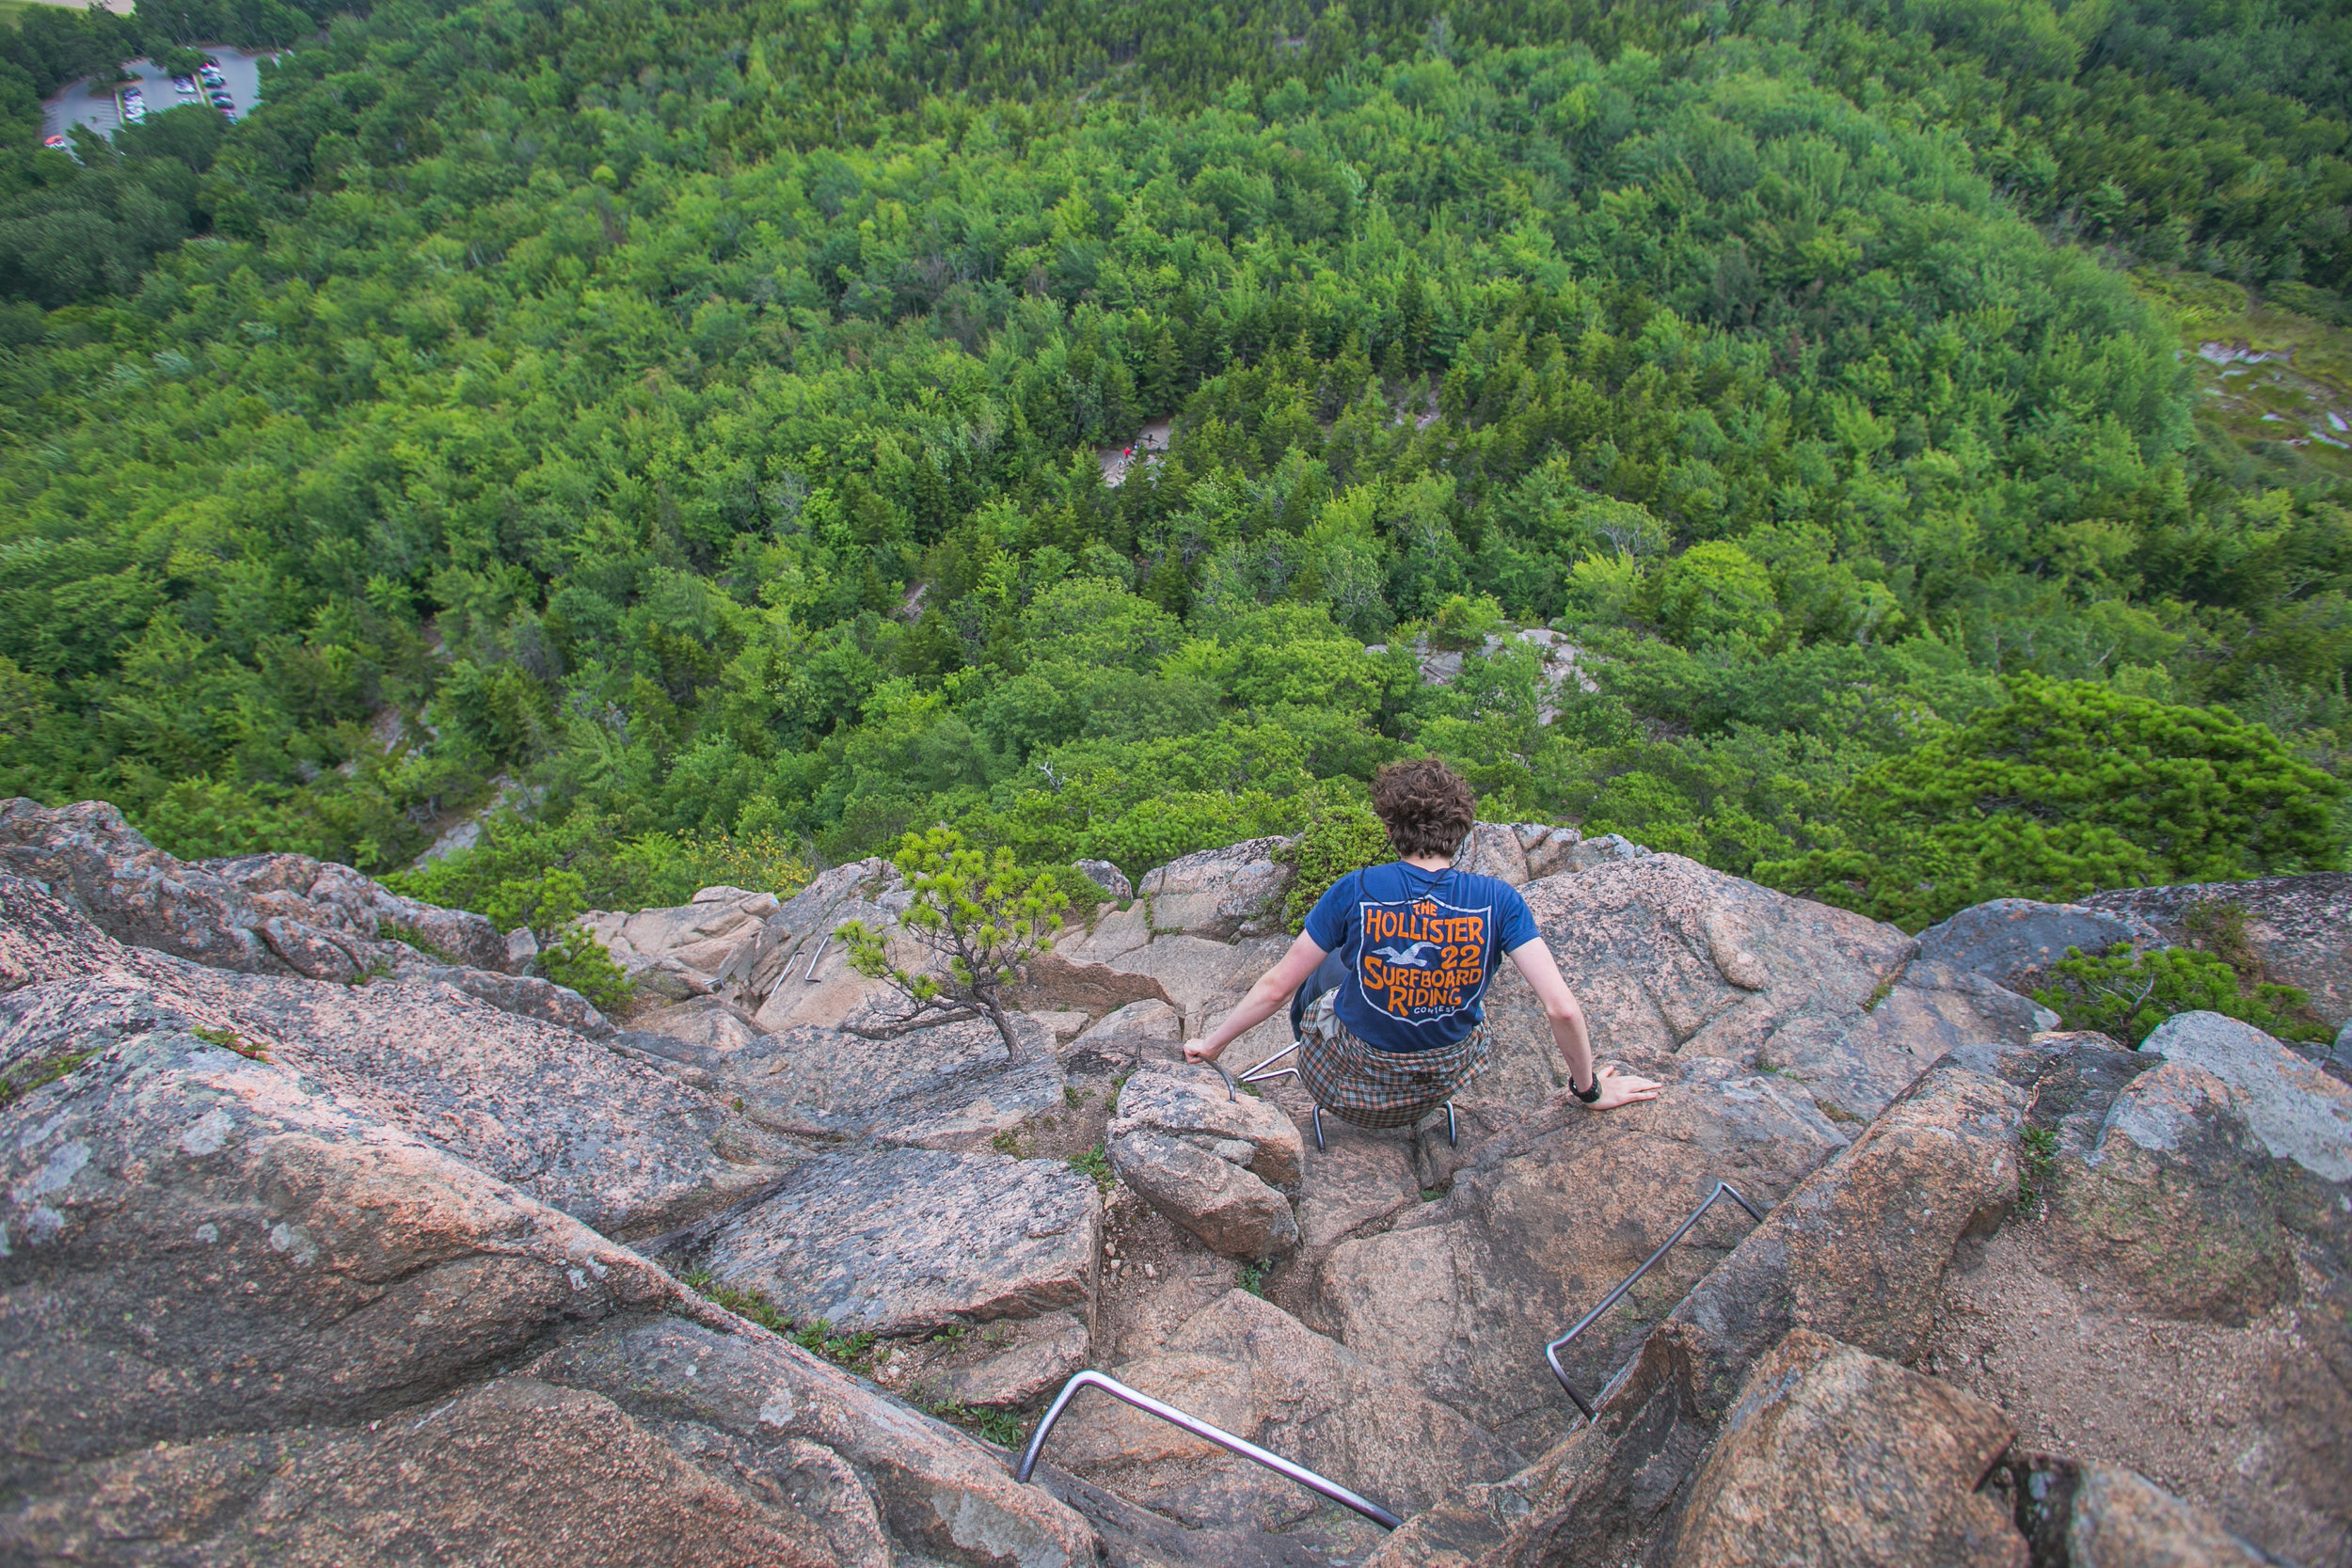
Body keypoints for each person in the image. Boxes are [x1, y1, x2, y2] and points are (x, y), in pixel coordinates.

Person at [1185, 758, 1661, 1124]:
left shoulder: (1357, 888)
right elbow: (1562, 1009)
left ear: (1391, 828)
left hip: (1344, 1086)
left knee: (1329, 964)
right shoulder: (1499, 899)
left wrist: (1212, 1045)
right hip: (1442, 1077)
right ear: (1462, 831)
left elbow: (1277, 988)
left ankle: (1330, 1040)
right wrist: (1589, 1090)